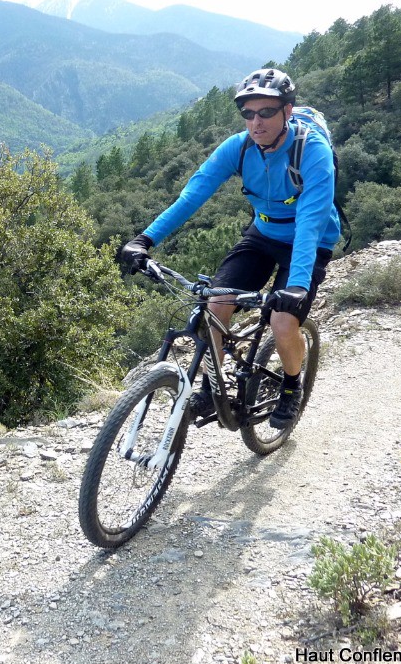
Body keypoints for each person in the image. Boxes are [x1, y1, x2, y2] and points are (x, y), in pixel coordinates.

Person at [120, 68, 340, 429]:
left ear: (287, 110)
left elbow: (311, 223)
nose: (256, 122)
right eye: (248, 114)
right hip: (263, 233)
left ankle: (290, 386)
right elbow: (192, 195)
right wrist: (145, 239)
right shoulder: (239, 148)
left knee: (283, 322)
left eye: (266, 112)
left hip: (309, 242)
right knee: (213, 306)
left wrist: (296, 286)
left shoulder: (312, 152)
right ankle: (211, 385)